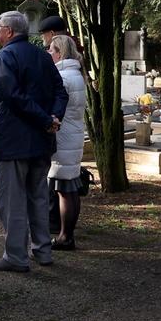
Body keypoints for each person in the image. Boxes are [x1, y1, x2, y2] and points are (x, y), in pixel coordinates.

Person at [0, 10, 67, 273]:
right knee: (38, 197)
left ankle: (16, 256)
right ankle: (42, 251)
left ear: (9, 31)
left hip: (12, 140)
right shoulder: (43, 56)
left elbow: (13, 96)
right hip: (40, 141)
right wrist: (53, 118)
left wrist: (46, 119)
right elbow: (60, 92)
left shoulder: (4, 57)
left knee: (12, 202)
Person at [48, 35, 89, 250]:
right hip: (73, 136)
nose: (49, 53)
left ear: (60, 53)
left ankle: (65, 236)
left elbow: (55, 107)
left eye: (51, 50)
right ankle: (68, 234)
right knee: (70, 188)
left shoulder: (63, 76)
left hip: (63, 138)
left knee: (64, 189)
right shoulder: (76, 74)